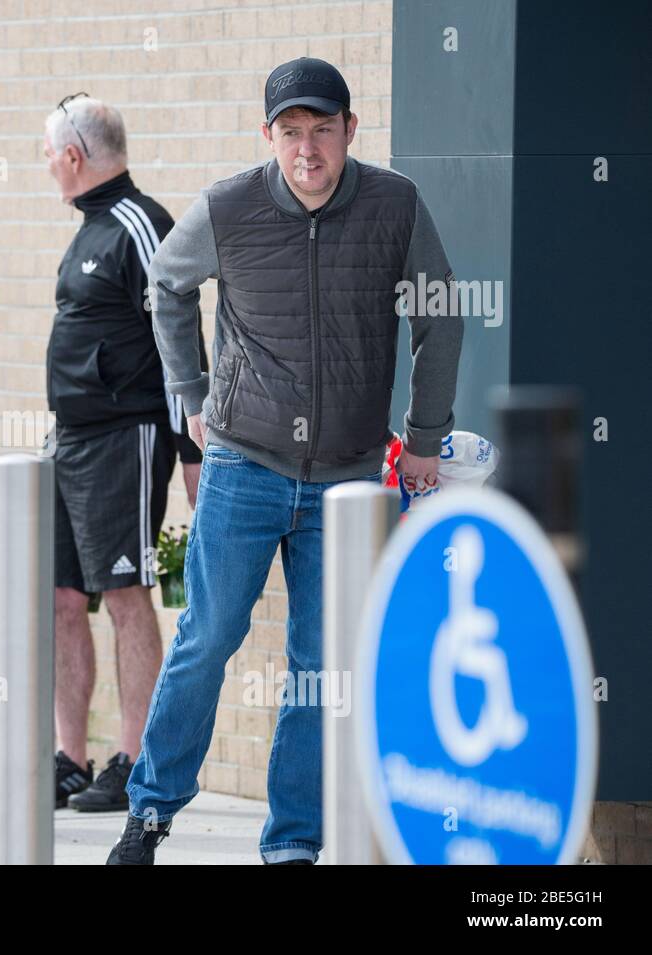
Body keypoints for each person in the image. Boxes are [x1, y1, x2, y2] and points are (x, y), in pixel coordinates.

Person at [107, 58, 463, 863]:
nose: (309, 149)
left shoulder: (394, 204)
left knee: (318, 665)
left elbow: (442, 317)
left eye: (324, 130)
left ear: (350, 132)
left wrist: (427, 440)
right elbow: (167, 283)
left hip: (347, 477)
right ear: (268, 136)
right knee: (207, 639)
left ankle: (293, 842)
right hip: (244, 463)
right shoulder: (229, 206)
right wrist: (190, 390)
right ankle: (151, 815)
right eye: (291, 132)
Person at [41, 95, 205, 812]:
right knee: (62, 597)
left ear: (73, 156)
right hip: (71, 439)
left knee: (125, 593)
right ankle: (68, 758)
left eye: (49, 154)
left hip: (124, 439)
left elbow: (177, 337)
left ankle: (135, 762)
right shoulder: (88, 230)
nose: (46, 166)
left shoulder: (141, 222)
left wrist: (191, 449)